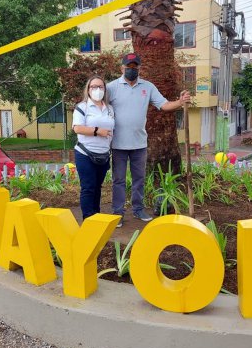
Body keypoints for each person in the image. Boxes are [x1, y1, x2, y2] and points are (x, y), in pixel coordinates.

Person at [107, 53, 191, 227]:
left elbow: (164, 105)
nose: (131, 70)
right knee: (119, 180)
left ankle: (138, 209)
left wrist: (181, 102)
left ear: (139, 68)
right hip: (117, 144)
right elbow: (98, 107)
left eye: (134, 67)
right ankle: (118, 213)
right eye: (128, 67)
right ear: (122, 68)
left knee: (139, 178)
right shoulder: (111, 88)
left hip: (139, 144)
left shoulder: (148, 87)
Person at [72, 75, 115, 220]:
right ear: (88, 90)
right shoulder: (82, 107)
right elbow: (77, 128)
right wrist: (97, 131)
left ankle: (96, 217)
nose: (97, 89)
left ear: (105, 89)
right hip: (85, 154)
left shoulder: (109, 109)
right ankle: (88, 219)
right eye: (94, 87)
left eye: (100, 87)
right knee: (88, 188)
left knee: (97, 188)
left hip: (103, 154)